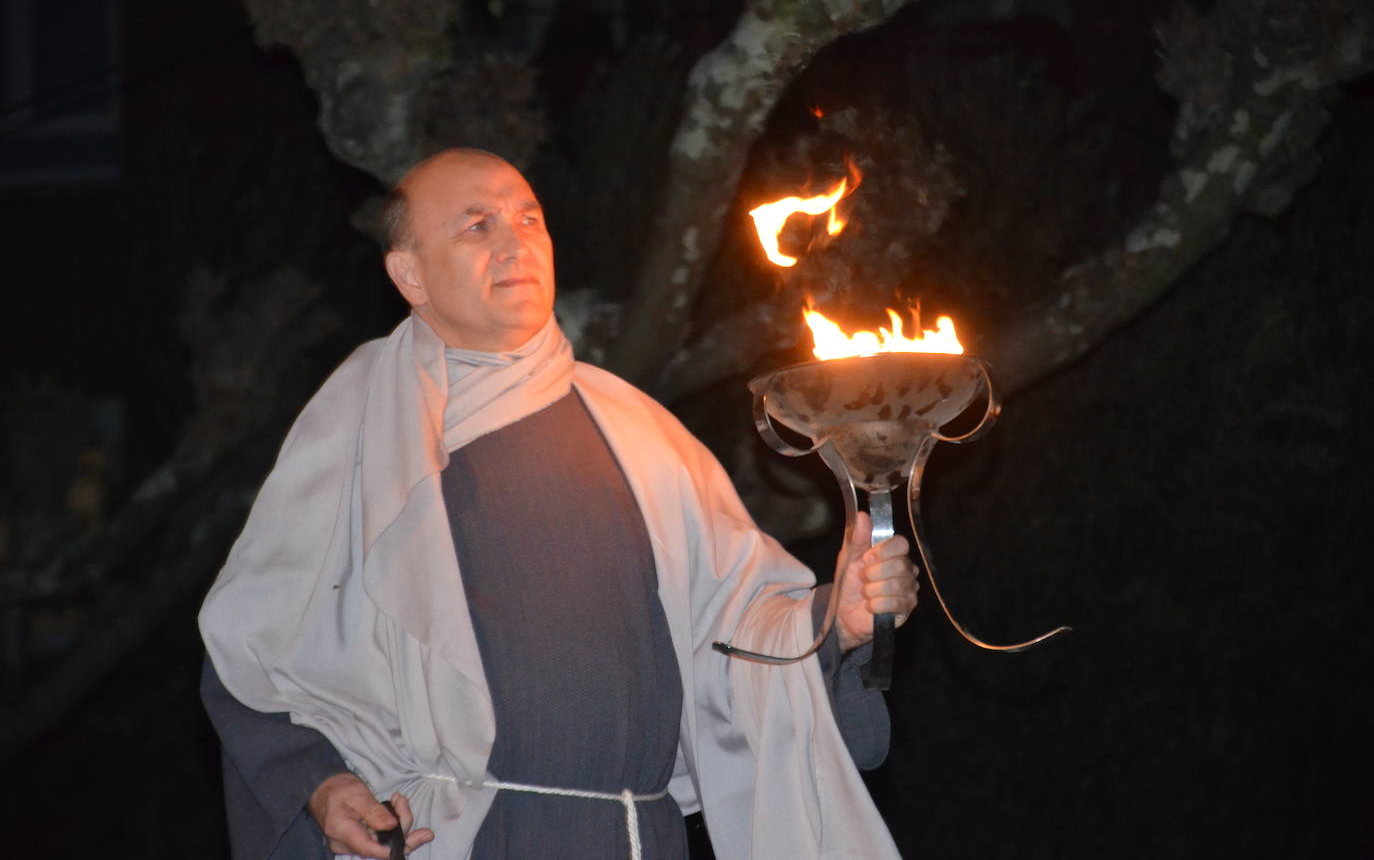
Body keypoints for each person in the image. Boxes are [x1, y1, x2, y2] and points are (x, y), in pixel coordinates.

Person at [199, 148, 917, 859]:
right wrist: (319, 783)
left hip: (637, 838)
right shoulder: (361, 427)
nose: (515, 240)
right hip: (455, 840)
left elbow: (733, 633)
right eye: (477, 225)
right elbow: (251, 650)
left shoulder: (639, 432)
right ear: (409, 274)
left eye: (529, 218)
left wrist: (834, 624)